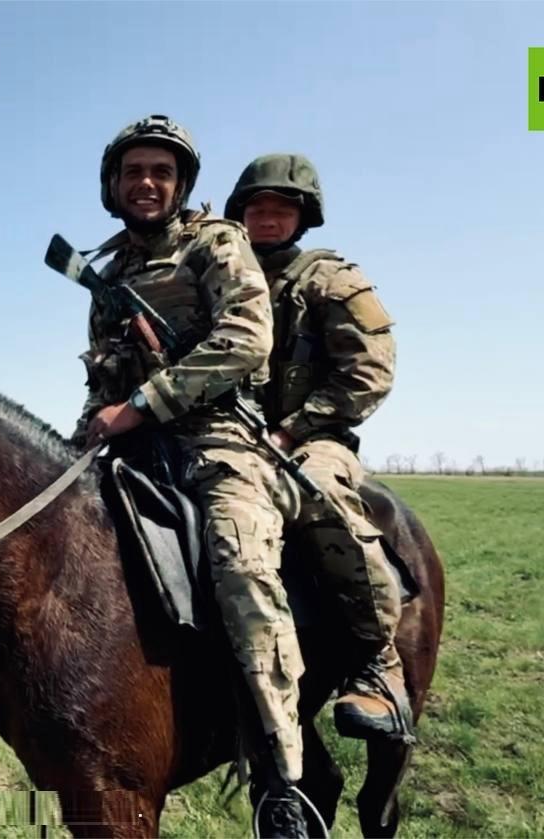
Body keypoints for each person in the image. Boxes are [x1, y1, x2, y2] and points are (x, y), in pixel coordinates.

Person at [70, 116, 307, 835]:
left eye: (161, 172)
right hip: (130, 442)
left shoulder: (217, 242)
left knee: (242, 564)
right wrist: (84, 433)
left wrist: (144, 404)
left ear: (181, 186)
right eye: (133, 171)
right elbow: (104, 378)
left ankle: (280, 777)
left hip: (218, 439)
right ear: (112, 184)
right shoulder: (108, 274)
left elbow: (246, 339)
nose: (146, 183)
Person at [224, 153, 412, 742]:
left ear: (303, 217)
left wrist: (293, 429)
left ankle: (377, 660)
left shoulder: (331, 280)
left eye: (281, 209)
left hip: (312, 439)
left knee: (317, 493)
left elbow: (368, 371)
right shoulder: (218, 279)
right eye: (257, 207)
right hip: (227, 436)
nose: (267, 218)